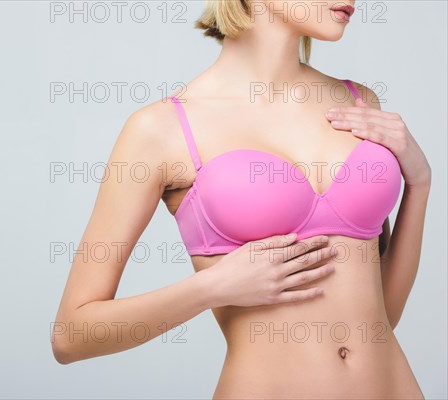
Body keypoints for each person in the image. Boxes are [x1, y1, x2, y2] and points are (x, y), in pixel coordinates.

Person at [52, 1, 431, 398]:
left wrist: (419, 184)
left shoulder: (359, 102)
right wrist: (211, 288)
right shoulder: (162, 130)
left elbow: (382, 315)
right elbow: (71, 336)